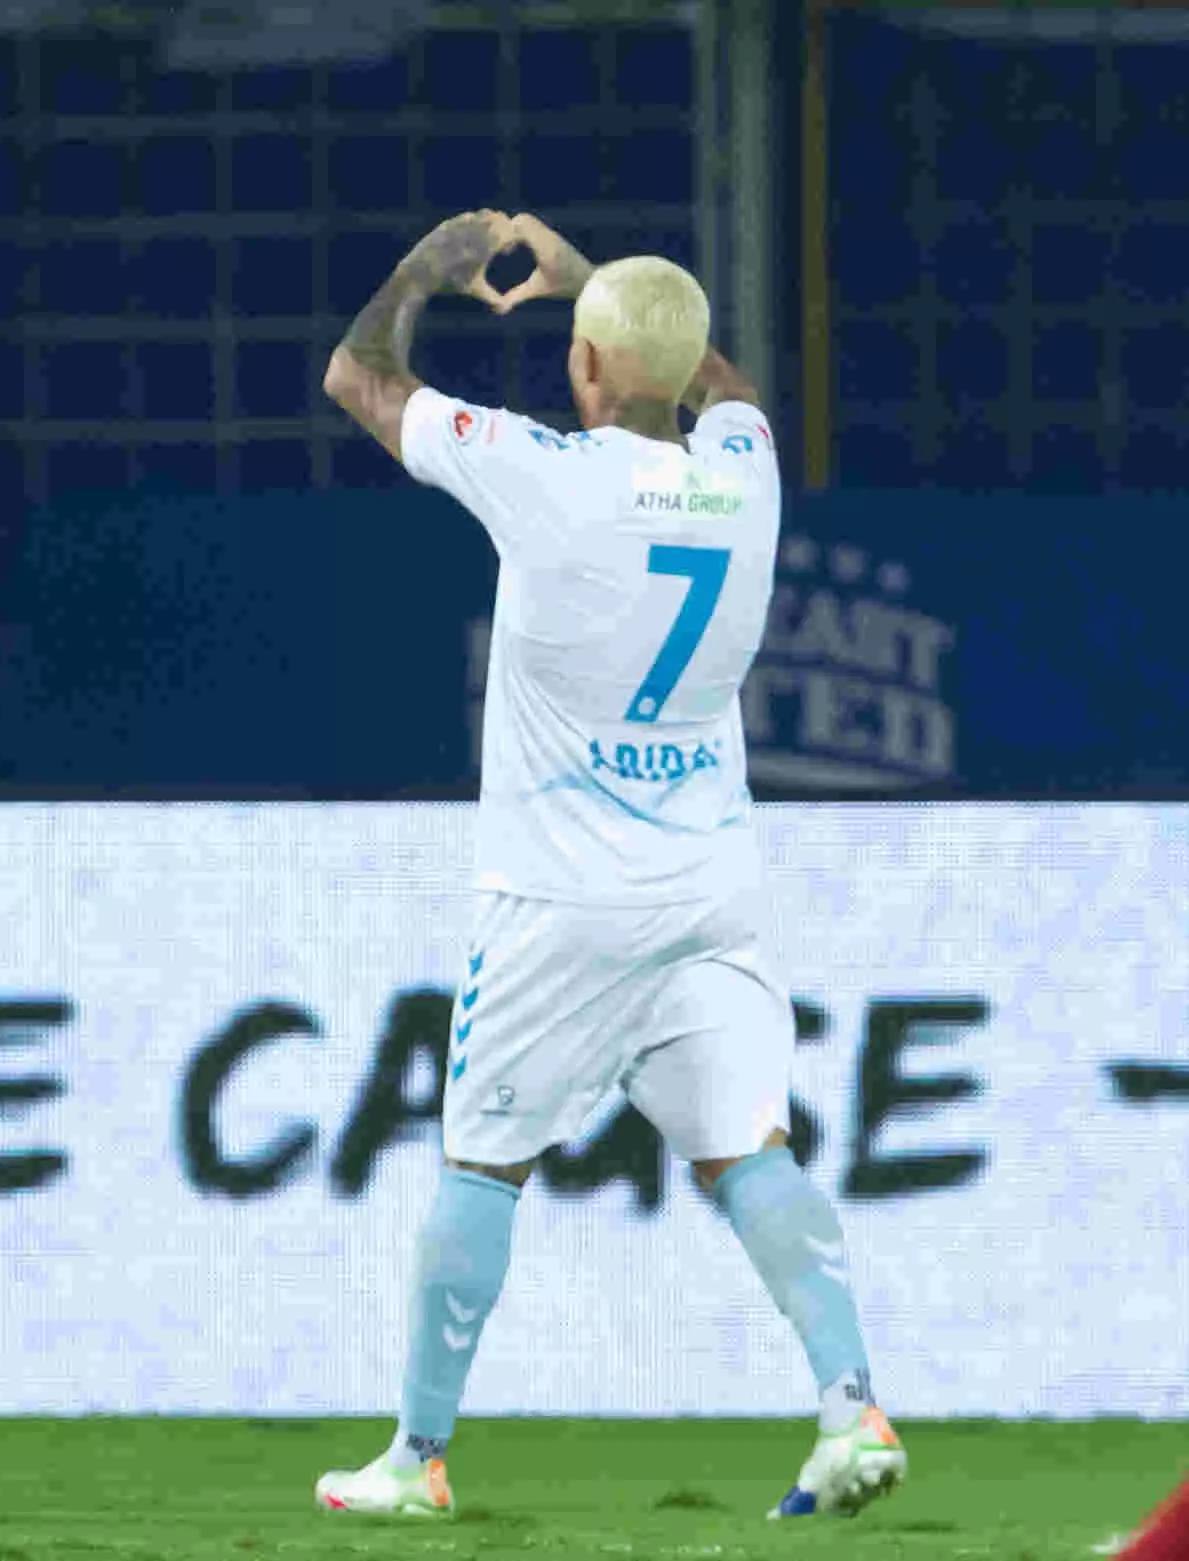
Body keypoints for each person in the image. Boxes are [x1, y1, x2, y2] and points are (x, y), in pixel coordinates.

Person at [311, 210, 904, 1522]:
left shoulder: (541, 470)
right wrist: (606, 290)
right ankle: (851, 1405)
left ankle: (416, 1461)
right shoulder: (744, 469)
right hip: (706, 890)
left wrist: (425, 271)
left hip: (560, 901)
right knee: (748, 1149)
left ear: (583, 371)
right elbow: (728, 389)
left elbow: (359, 381)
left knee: (482, 1163)